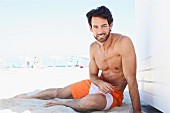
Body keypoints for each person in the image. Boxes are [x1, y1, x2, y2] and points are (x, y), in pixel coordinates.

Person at [15, 6, 142, 113]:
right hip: (97, 84)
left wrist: (138, 111)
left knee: (89, 102)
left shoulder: (123, 42)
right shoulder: (93, 48)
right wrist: (100, 83)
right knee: (59, 92)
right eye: (96, 27)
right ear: (90, 28)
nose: (100, 31)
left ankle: (66, 104)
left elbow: (131, 80)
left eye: (104, 26)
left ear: (110, 25)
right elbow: (93, 76)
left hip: (114, 94)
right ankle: (30, 96)